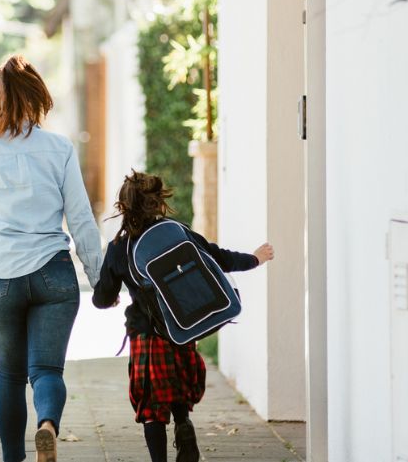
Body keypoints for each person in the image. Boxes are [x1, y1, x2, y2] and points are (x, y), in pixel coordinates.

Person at [0, 55, 103, 462]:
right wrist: (98, 275)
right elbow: (81, 218)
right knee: (47, 371)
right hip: (53, 273)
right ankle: (47, 426)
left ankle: (13, 459)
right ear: (40, 96)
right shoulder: (59, 149)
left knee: (10, 372)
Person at [91, 171, 274, 462]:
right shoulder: (176, 230)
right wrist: (254, 259)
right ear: (159, 202)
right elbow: (217, 256)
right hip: (181, 327)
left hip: (147, 334)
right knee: (177, 386)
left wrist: (109, 295)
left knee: (151, 406)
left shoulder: (118, 248)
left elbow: (101, 299)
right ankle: (184, 425)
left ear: (123, 207)